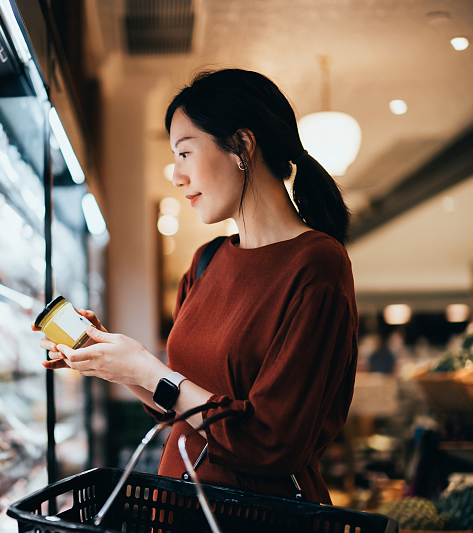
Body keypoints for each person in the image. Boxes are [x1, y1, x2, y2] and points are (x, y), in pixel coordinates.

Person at [35, 69, 358, 505]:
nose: (176, 174)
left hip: (258, 519)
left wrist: (151, 370)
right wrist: (118, 364)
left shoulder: (317, 265)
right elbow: (181, 409)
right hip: (180, 510)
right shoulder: (207, 260)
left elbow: (271, 440)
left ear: (242, 145)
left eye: (185, 153)